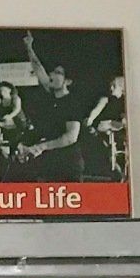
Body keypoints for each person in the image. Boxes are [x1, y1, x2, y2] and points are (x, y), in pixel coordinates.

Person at [18, 31, 90, 176]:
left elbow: (71, 137)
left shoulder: (72, 103)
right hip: (51, 163)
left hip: (69, 165)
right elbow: (38, 68)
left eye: (58, 73)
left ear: (67, 81)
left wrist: (40, 147)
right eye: (52, 72)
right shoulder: (51, 95)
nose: (51, 74)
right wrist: (29, 47)